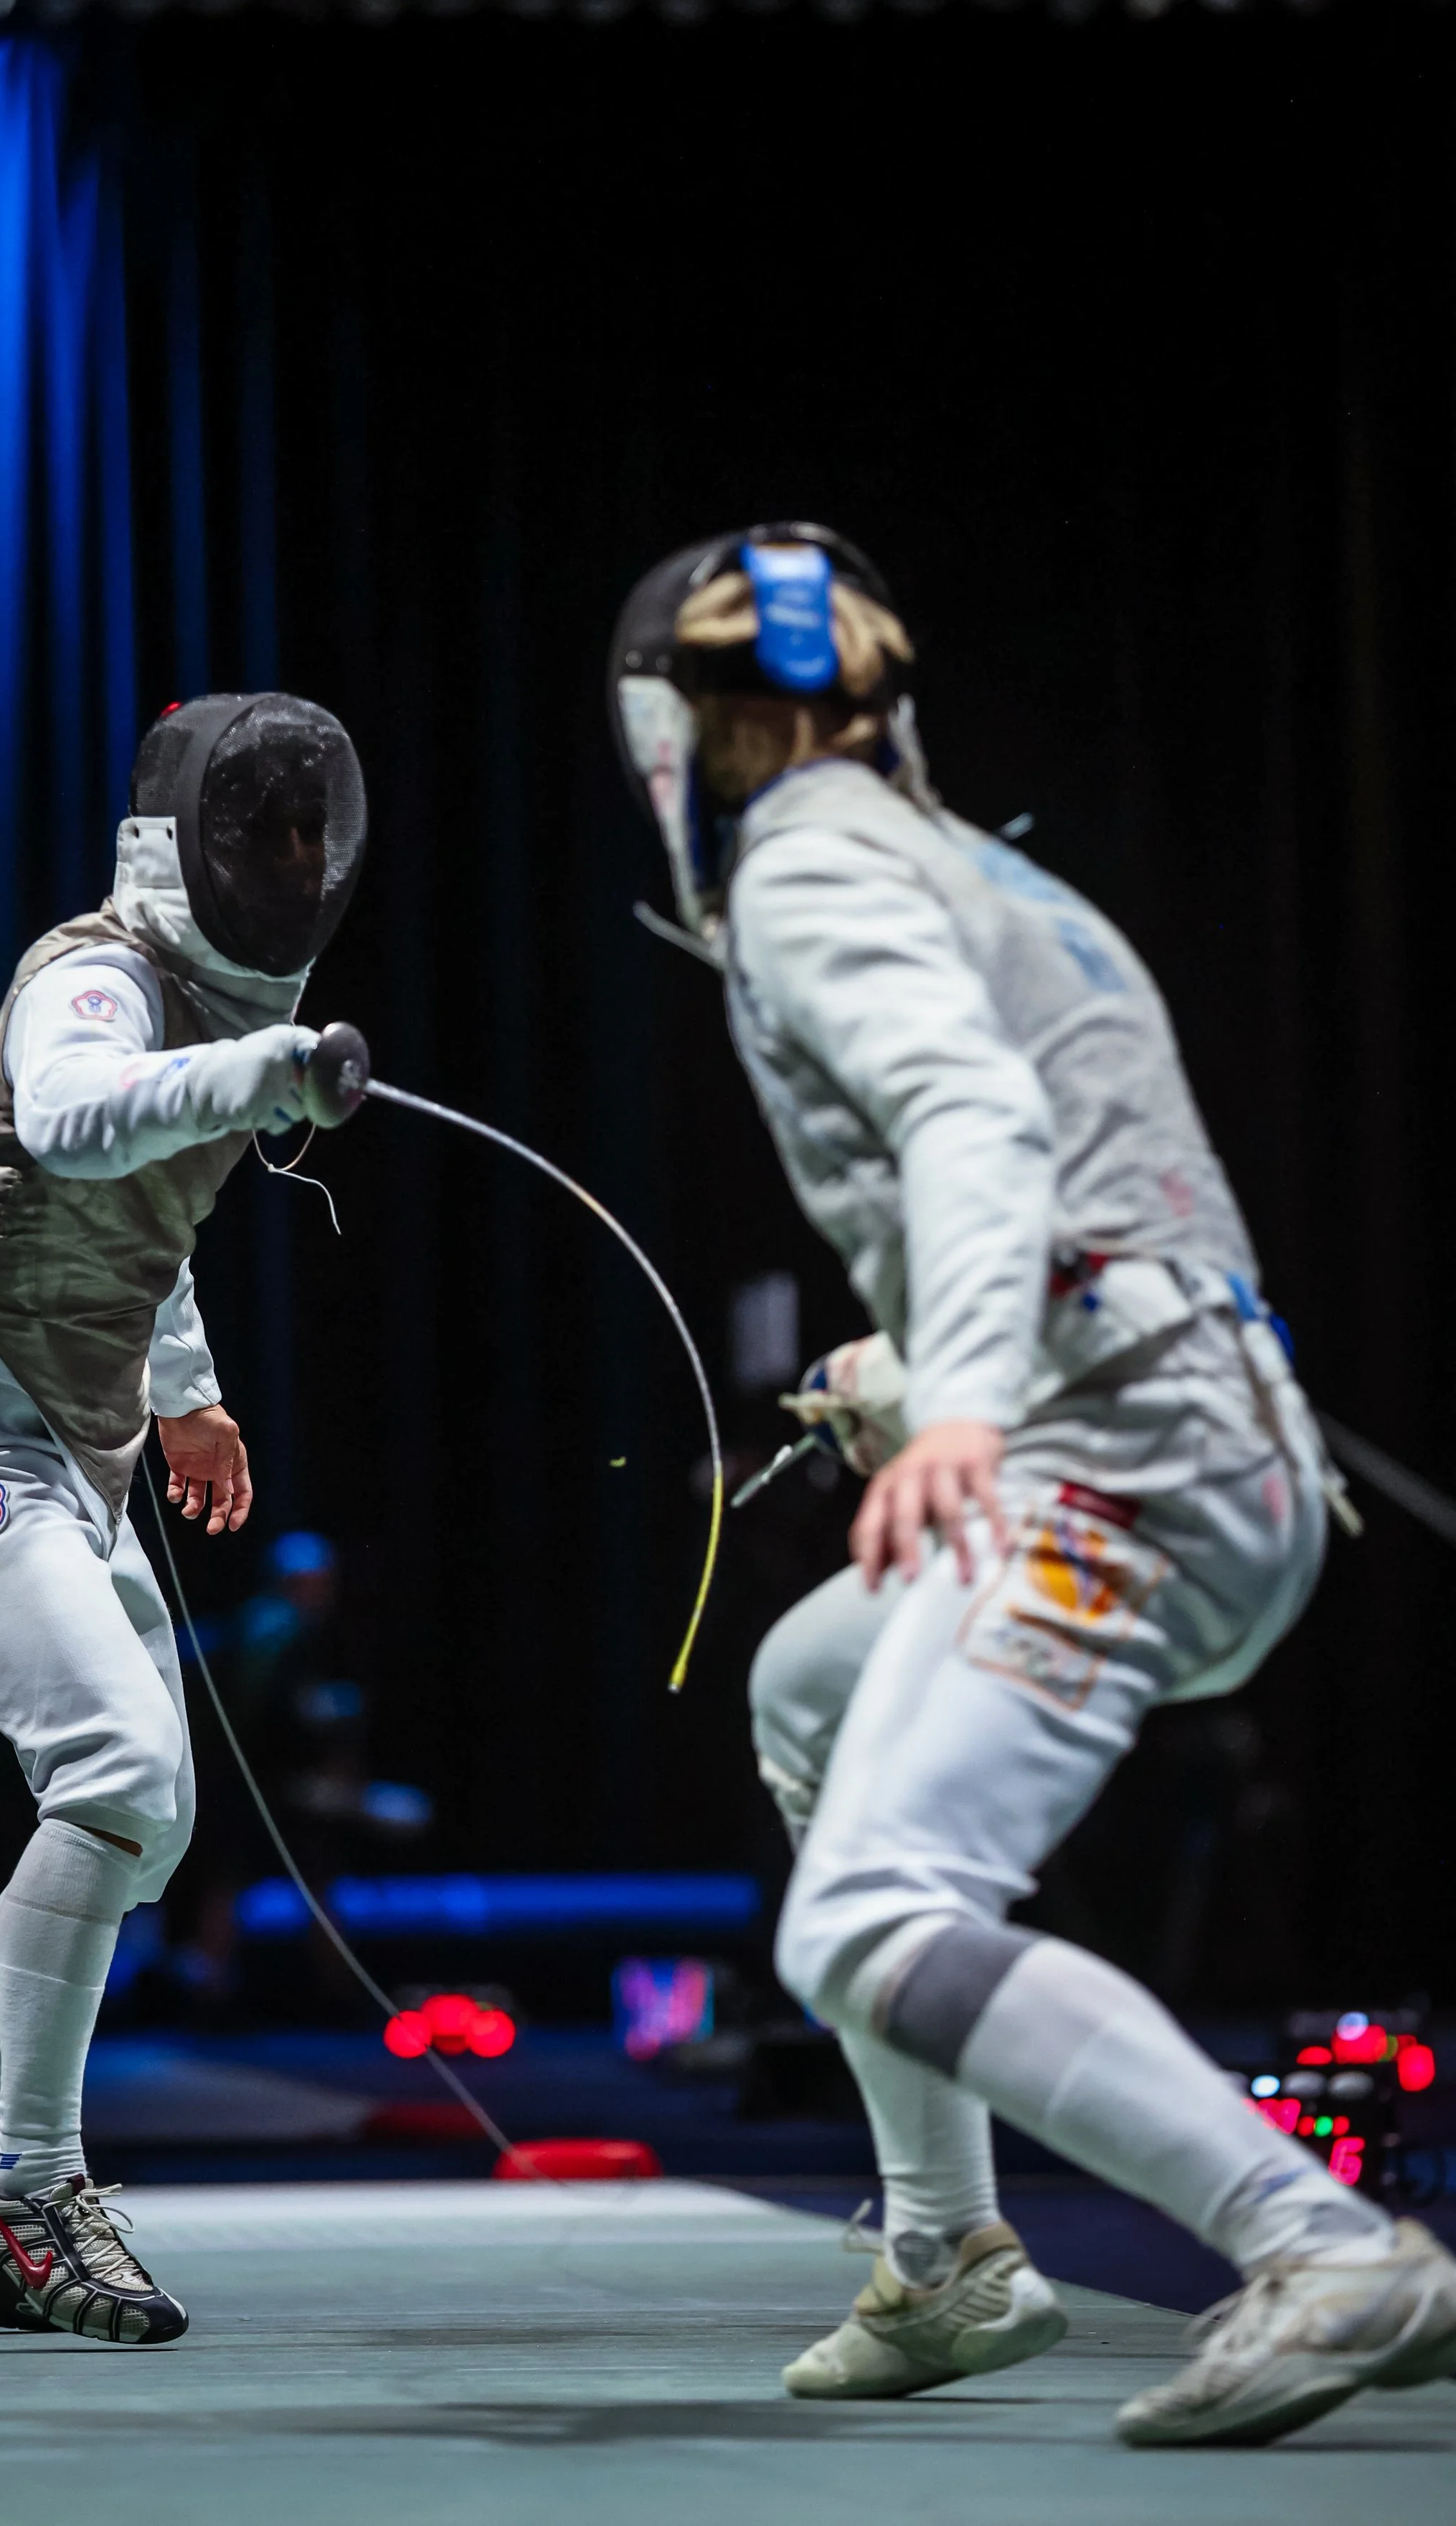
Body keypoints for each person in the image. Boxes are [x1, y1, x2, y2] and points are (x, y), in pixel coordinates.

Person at [609, 525, 1456, 2447]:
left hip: (1118, 1460)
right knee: (809, 1684)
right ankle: (949, 2252)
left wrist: (965, 1400)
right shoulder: (986, 872)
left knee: (858, 1916)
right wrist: (906, 1373)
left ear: (685, 729)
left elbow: (972, 1127)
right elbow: (1098, 1199)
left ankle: (1315, 2240)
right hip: (1207, 1432)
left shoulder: (814, 861)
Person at [0, 693, 367, 2345]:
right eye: (259, 832)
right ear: (187, 843)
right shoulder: (95, 973)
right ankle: (32, 2183)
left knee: (148, 1823)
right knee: (119, 1775)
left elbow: (147, 1218)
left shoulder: (208, 1005)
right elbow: (75, 1115)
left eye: (307, 833)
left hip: (79, 1450)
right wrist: (264, 1065)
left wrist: (187, 1392)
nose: (286, 859)